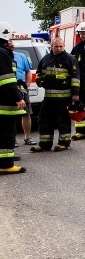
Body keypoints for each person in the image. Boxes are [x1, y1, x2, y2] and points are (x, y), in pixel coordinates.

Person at [31, 37, 79, 152]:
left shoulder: (70, 59)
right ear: (51, 47)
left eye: (61, 46)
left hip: (64, 97)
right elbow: (39, 72)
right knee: (44, 120)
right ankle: (44, 144)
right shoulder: (46, 59)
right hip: (48, 98)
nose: (59, 48)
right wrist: (39, 81)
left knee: (63, 121)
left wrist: (75, 94)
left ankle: (64, 143)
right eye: (56, 46)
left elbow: (75, 77)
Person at [0, 24, 26, 174]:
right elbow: (7, 80)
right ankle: (6, 165)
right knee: (7, 133)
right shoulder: (2, 53)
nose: (11, 40)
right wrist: (17, 97)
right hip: (4, 102)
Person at [7, 38, 37, 146]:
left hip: (21, 88)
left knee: (26, 113)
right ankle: (12, 140)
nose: (11, 44)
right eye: (8, 42)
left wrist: (27, 86)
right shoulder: (3, 57)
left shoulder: (21, 56)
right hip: (8, 88)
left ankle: (27, 138)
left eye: (11, 41)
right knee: (9, 115)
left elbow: (28, 71)